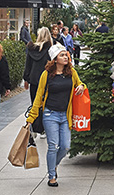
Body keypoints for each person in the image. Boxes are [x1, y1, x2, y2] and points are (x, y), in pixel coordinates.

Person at [26, 44, 86, 187]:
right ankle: (52, 176)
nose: (66, 57)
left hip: (66, 115)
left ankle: (54, 165)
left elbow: (80, 83)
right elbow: (38, 97)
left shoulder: (71, 72)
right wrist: (31, 118)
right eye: (62, 55)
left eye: (66, 55)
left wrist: (82, 86)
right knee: (53, 146)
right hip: (50, 114)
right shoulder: (46, 75)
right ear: (54, 59)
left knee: (65, 146)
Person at [24, 27, 54, 104]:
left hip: (34, 80)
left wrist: (26, 79)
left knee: (34, 104)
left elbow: (28, 65)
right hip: (47, 81)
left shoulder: (32, 49)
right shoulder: (51, 50)